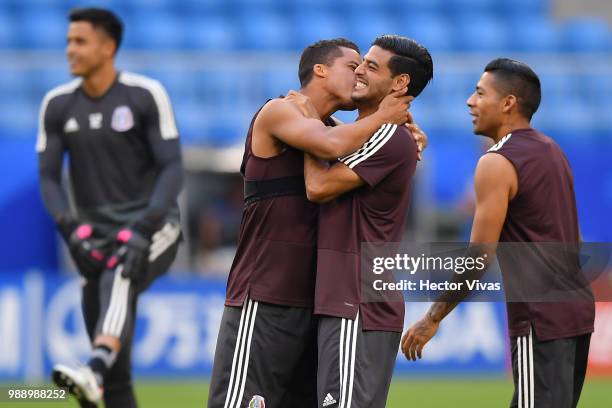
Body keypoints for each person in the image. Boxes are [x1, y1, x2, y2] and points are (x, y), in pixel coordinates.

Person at [207, 38, 415, 408]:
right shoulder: (280, 112)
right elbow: (327, 146)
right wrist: (386, 115)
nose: (360, 75)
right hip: (265, 297)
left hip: (318, 308)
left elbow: (347, 142)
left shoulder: (336, 128)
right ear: (320, 70)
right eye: (352, 67)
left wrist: (400, 134)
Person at [401, 58, 595, 408]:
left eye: (479, 93)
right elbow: (576, 241)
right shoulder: (553, 151)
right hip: (577, 312)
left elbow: (478, 256)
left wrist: (433, 317)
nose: (469, 102)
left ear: (508, 103)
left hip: (539, 318)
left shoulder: (496, 162)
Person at [37, 8, 182, 407]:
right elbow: (48, 178)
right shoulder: (56, 105)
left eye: (79, 41)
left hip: (153, 227)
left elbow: (173, 169)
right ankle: (100, 373)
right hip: (93, 235)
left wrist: (144, 226)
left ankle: (95, 363)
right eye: (68, 41)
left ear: (108, 47)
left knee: (121, 271)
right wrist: (70, 231)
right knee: (113, 387)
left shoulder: (144, 94)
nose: (70, 50)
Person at [300, 35, 433, 408]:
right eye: (360, 63)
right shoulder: (374, 131)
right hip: (346, 302)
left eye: (371, 66)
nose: (358, 70)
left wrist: (311, 118)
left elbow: (319, 185)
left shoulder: (389, 135)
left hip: (355, 303)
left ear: (400, 83)